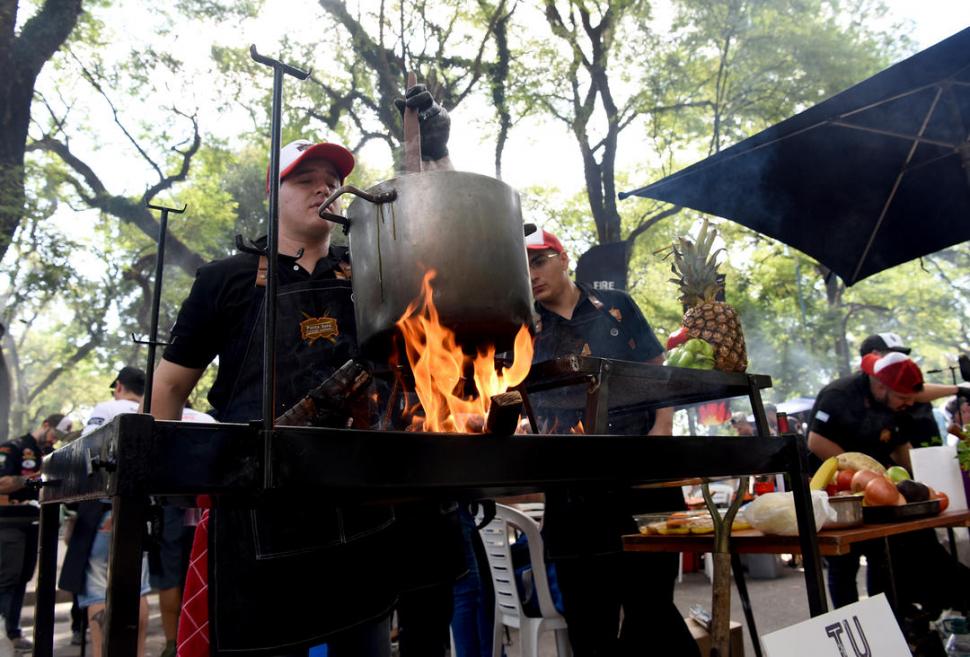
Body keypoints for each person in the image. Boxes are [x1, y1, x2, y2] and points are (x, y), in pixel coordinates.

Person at [150, 87, 462, 657]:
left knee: (365, 642)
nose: (323, 186)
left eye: (330, 176)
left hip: (360, 496)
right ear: (274, 193)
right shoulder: (226, 278)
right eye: (304, 178)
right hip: (262, 502)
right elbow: (170, 386)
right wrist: (174, 487)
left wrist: (430, 154)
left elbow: (440, 240)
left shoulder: (371, 270)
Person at [525, 228, 700, 657]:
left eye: (539, 260)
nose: (531, 274)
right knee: (588, 618)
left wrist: (662, 427)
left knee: (652, 606)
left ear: (563, 258)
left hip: (640, 469)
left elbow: (657, 369)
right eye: (522, 266)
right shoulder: (525, 325)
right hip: (572, 483)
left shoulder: (616, 305)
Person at [807, 348, 970, 618]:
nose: (907, 403)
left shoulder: (896, 403)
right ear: (881, 386)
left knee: (881, 555)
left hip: (878, 489)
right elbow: (816, 442)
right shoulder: (840, 396)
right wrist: (861, 473)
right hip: (837, 485)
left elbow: (899, 446)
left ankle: (885, 622)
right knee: (843, 562)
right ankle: (847, 623)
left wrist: (915, 482)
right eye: (902, 397)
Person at [59, 366, 152, 657]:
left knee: (98, 589)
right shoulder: (151, 409)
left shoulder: (107, 407)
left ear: (120, 386)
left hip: (102, 511)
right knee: (138, 588)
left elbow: (88, 452)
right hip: (141, 512)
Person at [150, 405, 216, 657]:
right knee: (202, 576)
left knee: (168, 579)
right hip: (202, 507)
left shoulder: (157, 411)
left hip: (167, 507)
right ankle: (202, 637)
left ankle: (171, 643)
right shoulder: (207, 419)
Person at [0, 413, 69, 652]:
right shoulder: (14, 447)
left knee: (23, 578)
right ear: (45, 425)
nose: (54, 441)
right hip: (9, 523)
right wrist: (32, 480)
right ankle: (6, 633)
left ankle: (13, 631)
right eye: (54, 435)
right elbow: (2, 482)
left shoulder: (49, 454)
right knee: (8, 577)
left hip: (36, 522)